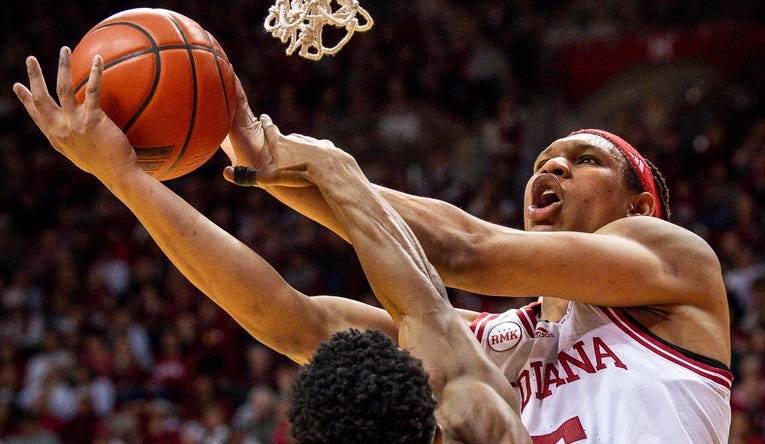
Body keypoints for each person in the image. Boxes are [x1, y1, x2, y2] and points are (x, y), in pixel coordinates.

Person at [13, 50, 529, 443]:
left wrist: (121, 175)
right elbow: (428, 306)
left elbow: (288, 318)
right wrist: (335, 169)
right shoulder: (472, 413)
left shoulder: (459, 408)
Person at [222, 83, 732, 441]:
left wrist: (322, 173)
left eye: (587, 160)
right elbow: (300, 321)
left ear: (639, 208)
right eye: (543, 162)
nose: (553, 165)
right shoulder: (501, 338)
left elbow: (462, 250)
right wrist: (243, 152)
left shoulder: (677, 262)